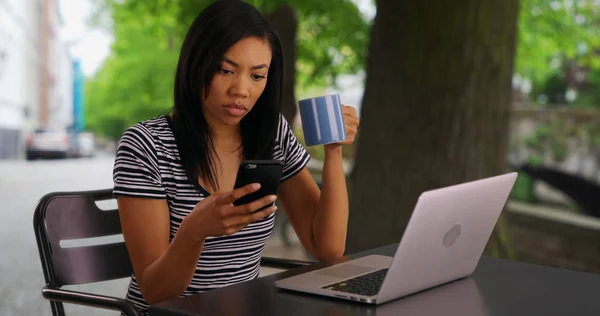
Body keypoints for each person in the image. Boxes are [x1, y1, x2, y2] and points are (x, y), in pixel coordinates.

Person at [112, 0, 360, 314]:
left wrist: (334, 150)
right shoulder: (146, 145)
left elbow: (327, 247)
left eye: (257, 76)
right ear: (196, 63)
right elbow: (155, 290)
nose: (241, 90)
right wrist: (195, 231)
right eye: (226, 70)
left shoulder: (272, 135)